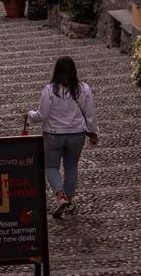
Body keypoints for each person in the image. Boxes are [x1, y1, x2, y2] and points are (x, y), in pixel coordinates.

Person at [26, 56, 98, 218]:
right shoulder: (83, 89)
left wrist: (30, 115)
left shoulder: (49, 90)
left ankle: (60, 196)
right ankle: (70, 199)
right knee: (71, 167)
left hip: (53, 135)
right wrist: (93, 132)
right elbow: (90, 114)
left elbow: (42, 115)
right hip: (77, 134)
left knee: (51, 167)